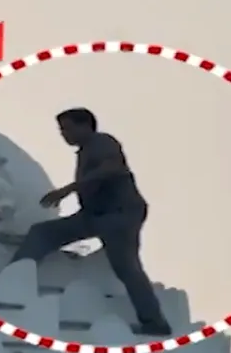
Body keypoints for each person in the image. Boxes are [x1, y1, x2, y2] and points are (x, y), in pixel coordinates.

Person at [9, 108, 172, 336]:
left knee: (126, 267)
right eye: (61, 130)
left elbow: (111, 168)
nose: (64, 134)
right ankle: (14, 281)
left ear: (85, 125)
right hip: (93, 215)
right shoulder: (85, 151)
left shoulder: (102, 142)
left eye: (68, 128)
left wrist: (68, 189)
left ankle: (155, 322)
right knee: (42, 233)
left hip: (119, 215)